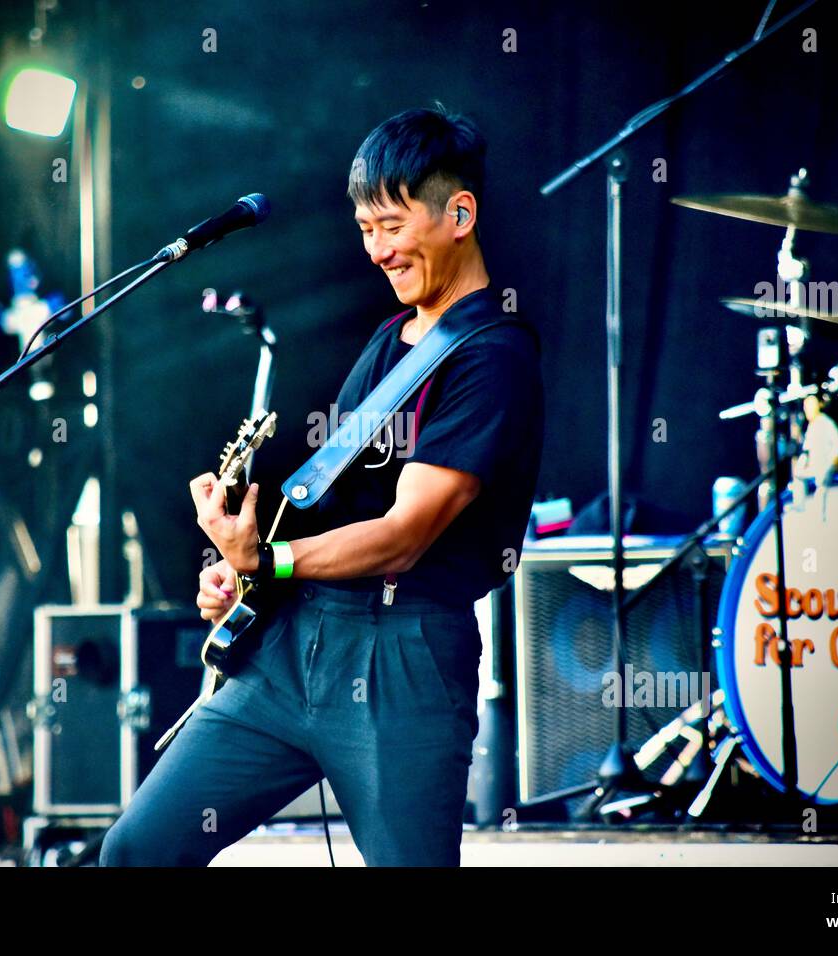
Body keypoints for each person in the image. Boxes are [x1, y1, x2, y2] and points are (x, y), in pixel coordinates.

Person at [100, 106, 544, 866]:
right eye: (365, 228)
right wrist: (245, 571)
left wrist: (265, 564)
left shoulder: (492, 355)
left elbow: (403, 537)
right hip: (289, 651)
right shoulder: (387, 340)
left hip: (403, 663)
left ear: (459, 213)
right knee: (136, 850)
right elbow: (333, 512)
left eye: (391, 226)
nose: (376, 250)